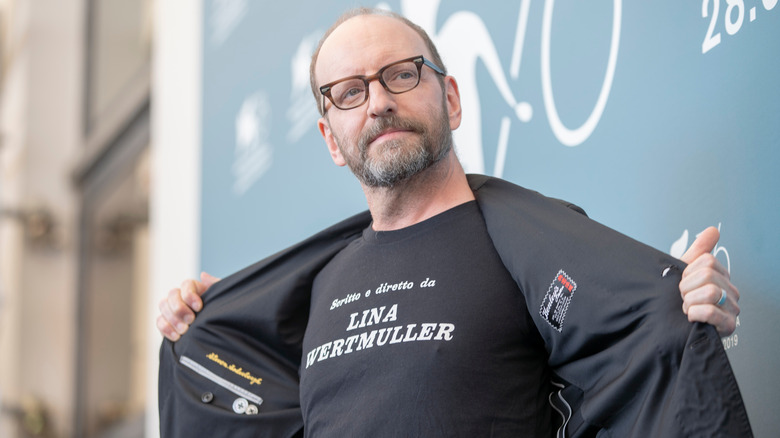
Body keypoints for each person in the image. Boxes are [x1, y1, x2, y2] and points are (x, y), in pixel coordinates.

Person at [157, 8, 750, 437]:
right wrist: (197, 328)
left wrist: (683, 305)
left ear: (453, 99)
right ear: (330, 140)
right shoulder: (314, 288)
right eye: (349, 92)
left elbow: (634, 348)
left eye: (401, 74)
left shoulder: (530, 249)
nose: (378, 101)